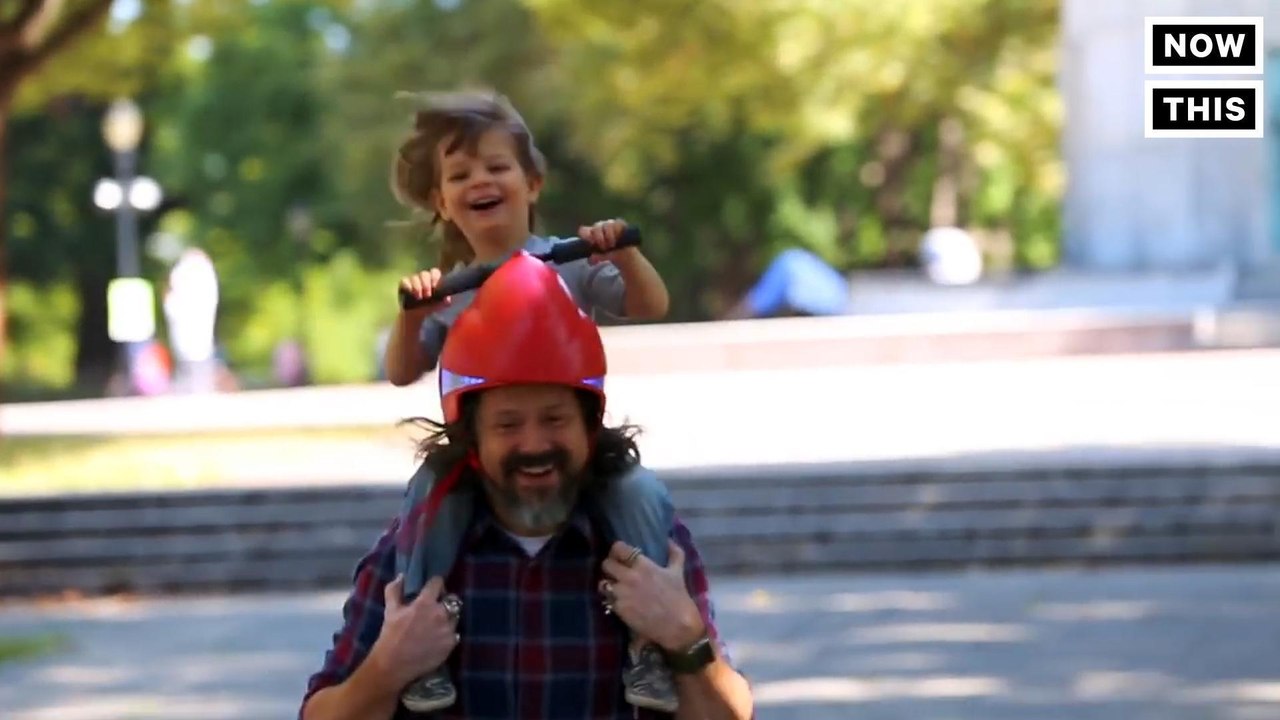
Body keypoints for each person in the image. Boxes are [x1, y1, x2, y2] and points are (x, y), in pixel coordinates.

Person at [300, 253, 754, 720]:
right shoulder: (413, 547)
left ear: (590, 424)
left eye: (555, 419)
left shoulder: (650, 543)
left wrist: (684, 637)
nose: (534, 444)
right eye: (508, 425)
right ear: (471, 436)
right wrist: (387, 667)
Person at [378, 89, 681, 713]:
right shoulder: (453, 294)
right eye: (460, 175)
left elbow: (650, 304)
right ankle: (419, 642)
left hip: (576, 441)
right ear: (441, 201)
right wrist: (413, 317)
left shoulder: (568, 265)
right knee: (428, 499)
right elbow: (401, 372)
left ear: (531, 182)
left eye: (497, 166)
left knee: (640, 493)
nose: (480, 181)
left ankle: (649, 646)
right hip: (481, 450)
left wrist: (622, 252)